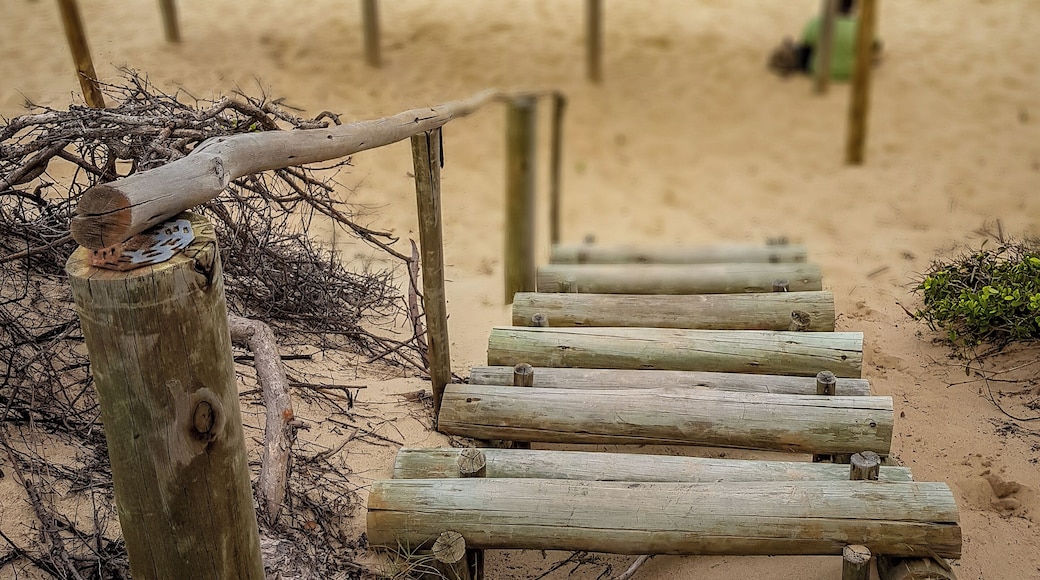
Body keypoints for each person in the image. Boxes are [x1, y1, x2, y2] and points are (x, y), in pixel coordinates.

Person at [769, 0, 878, 80]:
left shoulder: (816, 23)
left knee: (800, 48)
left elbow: (806, 43)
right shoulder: (861, 26)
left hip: (817, 70)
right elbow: (875, 46)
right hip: (852, 72)